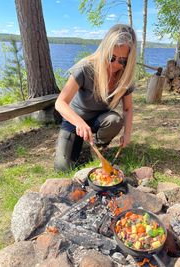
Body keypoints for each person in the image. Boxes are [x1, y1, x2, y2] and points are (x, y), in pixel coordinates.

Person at [54, 24, 137, 172]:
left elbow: (128, 108)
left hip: (100, 120)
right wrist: (79, 123)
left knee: (114, 120)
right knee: (62, 168)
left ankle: (96, 147)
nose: (115, 64)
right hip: (75, 120)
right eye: (111, 57)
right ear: (104, 50)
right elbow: (60, 103)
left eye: (122, 60)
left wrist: (127, 134)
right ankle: (81, 143)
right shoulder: (85, 68)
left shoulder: (125, 76)